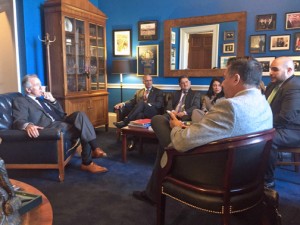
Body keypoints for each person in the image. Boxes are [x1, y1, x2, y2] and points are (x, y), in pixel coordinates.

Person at [132, 57, 273, 205]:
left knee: (159, 122)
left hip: (214, 173)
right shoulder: (263, 103)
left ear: (236, 79)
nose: (223, 83)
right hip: (246, 173)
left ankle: (153, 192)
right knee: (165, 138)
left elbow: (182, 142)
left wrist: (177, 127)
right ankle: (153, 191)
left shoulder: (230, 106)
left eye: (224, 78)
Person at [12, 74, 107, 173]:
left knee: (80, 115)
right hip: (51, 127)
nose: (41, 87)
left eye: (41, 84)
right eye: (37, 85)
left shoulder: (43, 99)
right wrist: (28, 125)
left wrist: (53, 101)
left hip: (61, 120)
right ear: (28, 89)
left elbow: (62, 113)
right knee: (83, 127)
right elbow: (19, 120)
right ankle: (88, 162)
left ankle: (94, 149)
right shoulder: (21, 101)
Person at [264, 57, 300, 188]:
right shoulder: (273, 84)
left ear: (289, 70)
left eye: (275, 69)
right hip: (278, 125)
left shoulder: (294, 86)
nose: (270, 72)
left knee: (267, 139)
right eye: (270, 69)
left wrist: (262, 122)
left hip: (294, 130)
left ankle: (268, 181)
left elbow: (286, 117)